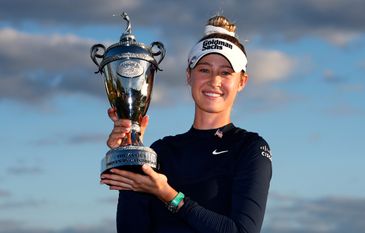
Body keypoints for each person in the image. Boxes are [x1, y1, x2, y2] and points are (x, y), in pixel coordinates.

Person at [100, 15, 272, 233]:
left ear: (242, 81)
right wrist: (130, 159)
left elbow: (242, 231)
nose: (214, 81)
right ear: (188, 75)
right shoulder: (161, 151)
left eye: (226, 72)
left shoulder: (250, 148)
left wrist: (168, 195)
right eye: (204, 69)